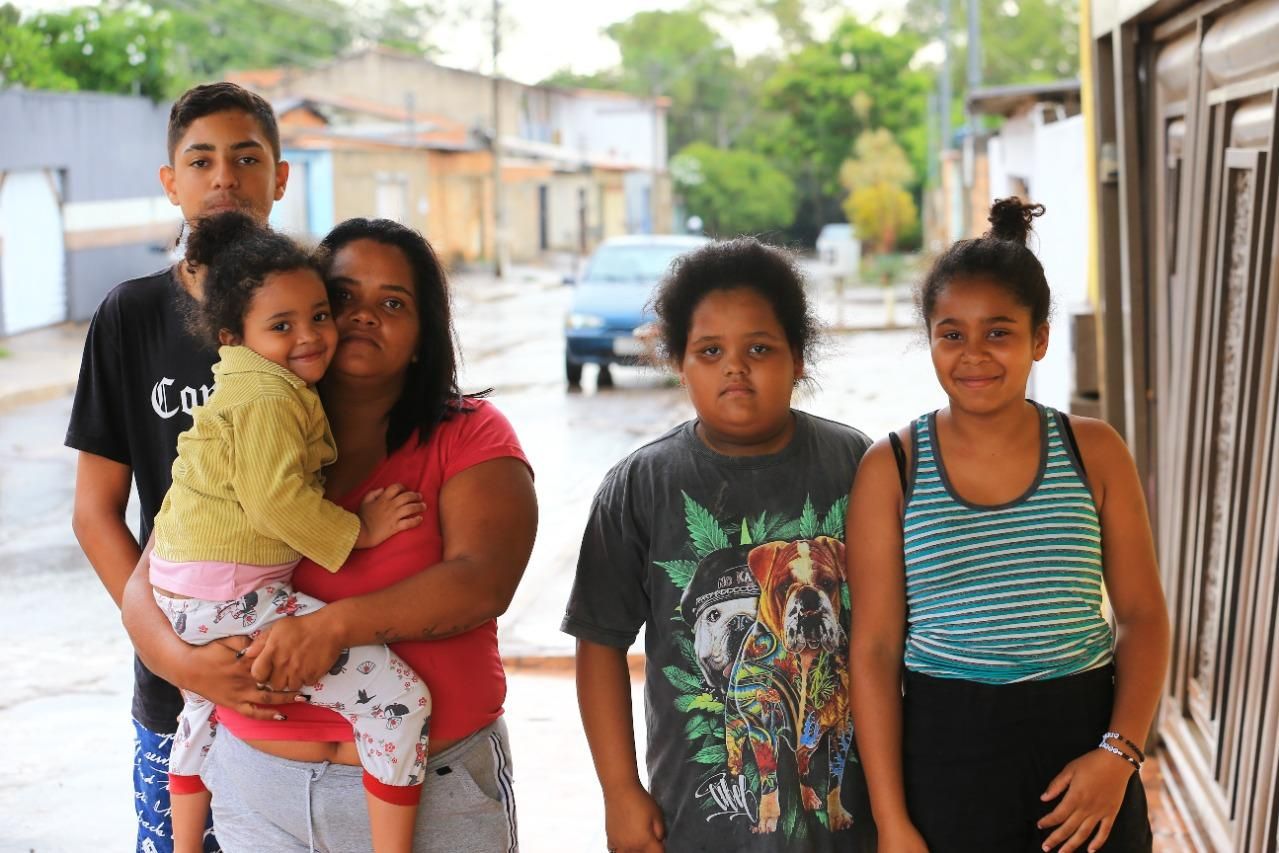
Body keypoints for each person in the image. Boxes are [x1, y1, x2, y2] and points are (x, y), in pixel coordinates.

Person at [120, 218, 537, 852]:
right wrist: (181, 662)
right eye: (343, 297)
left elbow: (481, 582)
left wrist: (332, 627)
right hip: (260, 797)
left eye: (393, 302)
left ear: (425, 334)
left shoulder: (470, 433)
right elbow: (159, 566)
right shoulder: (256, 419)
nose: (363, 316)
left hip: (436, 799)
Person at [848, 198, 1170, 853]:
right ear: (930, 339)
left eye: (997, 331)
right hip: (945, 759)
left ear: (1039, 338)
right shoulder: (892, 468)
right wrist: (892, 821)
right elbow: (876, 651)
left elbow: (1142, 615)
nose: (973, 355)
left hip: (1083, 748)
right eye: (950, 333)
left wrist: (1119, 753)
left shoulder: (1093, 450)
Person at [562, 237, 877, 852]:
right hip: (698, 826)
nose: (736, 366)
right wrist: (619, 791)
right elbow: (599, 644)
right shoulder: (641, 486)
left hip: (849, 828)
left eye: (760, 348)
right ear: (678, 361)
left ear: (799, 357)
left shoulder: (858, 467)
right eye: (710, 351)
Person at [150, 212, 432, 853]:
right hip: (228, 596)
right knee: (399, 701)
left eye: (317, 315)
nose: (311, 336)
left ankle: (186, 845)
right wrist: (359, 531)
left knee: (199, 713)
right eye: (282, 326)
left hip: (191, 597)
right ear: (235, 337)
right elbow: (278, 503)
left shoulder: (250, 384)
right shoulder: (268, 399)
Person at [66, 81, 288, 852]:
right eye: (201, 160)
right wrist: (172, 652)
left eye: (245, 157)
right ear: (172, 182)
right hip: (177, 688)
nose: (223, 176)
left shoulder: (313, 314)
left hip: (309, 675)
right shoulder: (129, 315)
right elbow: (96, 512)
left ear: (279, 177)